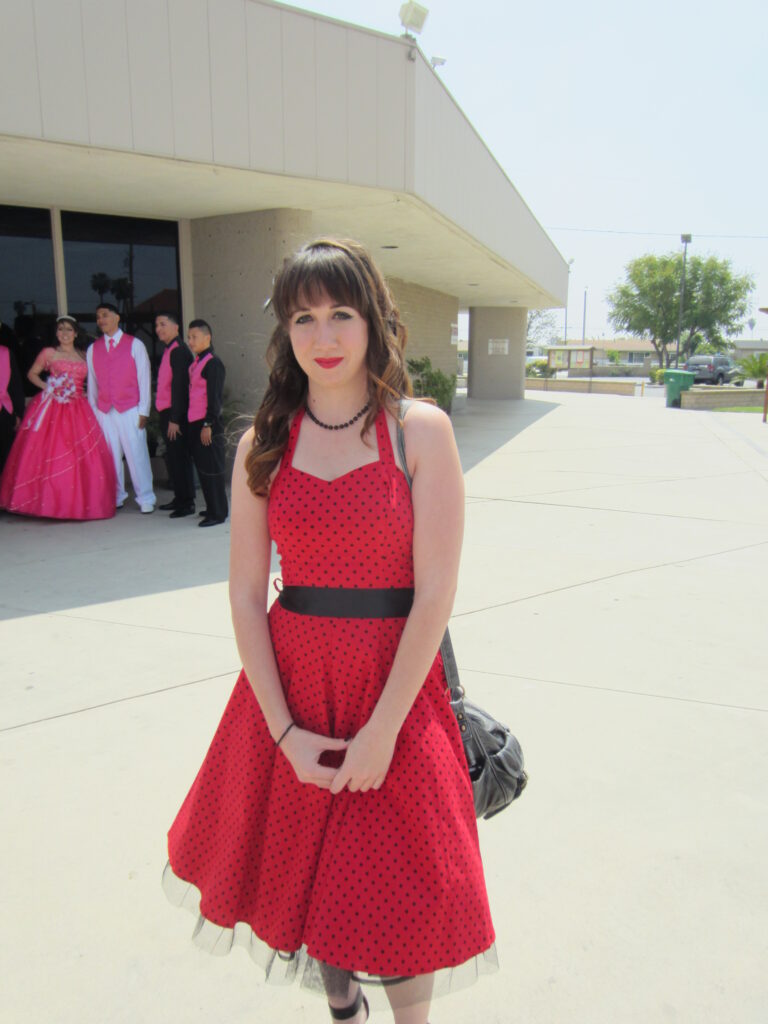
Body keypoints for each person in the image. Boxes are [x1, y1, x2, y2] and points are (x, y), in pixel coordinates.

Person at [163, 240, 496, 1024]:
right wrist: (282, 732)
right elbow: (247, 597)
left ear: (374, 321)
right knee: (310, 871)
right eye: (304, 316)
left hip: (396, 690)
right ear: (286, 330)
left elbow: (435, 595)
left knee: (399, 888)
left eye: (341, 313)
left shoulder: (421, 433)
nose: (325, 335)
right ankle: (342, 1004)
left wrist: (383, 730)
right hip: (291, 692)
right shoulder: (263, 445)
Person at [0, 316, 117, 520]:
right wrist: (50, 387)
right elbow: (32, 374)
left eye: (69, 330)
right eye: (61, 329)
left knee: (80, 454)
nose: (64, 333)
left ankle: (79, 503)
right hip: (53, 407)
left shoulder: (83, 355)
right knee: (51, 451)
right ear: (56, 333)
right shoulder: (49, 353)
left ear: (75, 333)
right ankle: (47, 504)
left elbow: (95, 380)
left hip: (78, 408)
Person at [86, 302, 155, 513]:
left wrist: (144, 410)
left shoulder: (135, 344)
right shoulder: (92, 348)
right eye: (98, 317)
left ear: (117, 317)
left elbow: (144, 378)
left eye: (105, 315)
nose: (101, 320)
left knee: (136, 453)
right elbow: (92, 384)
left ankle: (145, 497)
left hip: (130, 408)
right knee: (110, 455)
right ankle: (116, 494)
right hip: (105, 410)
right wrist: (94, 412)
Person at [186, 319, 228, 527]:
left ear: (207, 337)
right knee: (203, 469)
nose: (190, 341)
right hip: (195, 423)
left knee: (212, 468)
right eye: (189, 337)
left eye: (194, 337)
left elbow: (215, 398)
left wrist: (208, 424)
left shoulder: (213, 363)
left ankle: (218, 513)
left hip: (207, 424)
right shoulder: (196, 363)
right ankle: (212, 508)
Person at [154, 312, 195, 517]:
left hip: (174, 414)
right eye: (156, 325)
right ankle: (180, 498)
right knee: (174, 458)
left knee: (180, 459)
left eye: (163, 324)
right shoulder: (169, 349)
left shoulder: (178, 351)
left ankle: (186, 503)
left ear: (176, 327)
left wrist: (175, 419)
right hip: (168, 412)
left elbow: (179, 388)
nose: (158, 329)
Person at [0, 341, 25, 474]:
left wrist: (18, 413)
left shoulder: (5, 353)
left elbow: (15, 386)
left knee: (5, 460)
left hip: (4, 412)